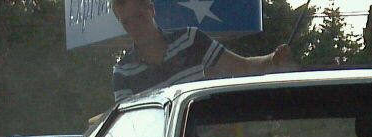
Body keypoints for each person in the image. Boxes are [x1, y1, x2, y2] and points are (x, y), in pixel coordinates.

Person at [110, 0, 294, 102]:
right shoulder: (122, 73)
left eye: (139, 17)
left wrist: (272, 59)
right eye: (126, 22)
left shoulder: (190, 39)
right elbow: (131, 126)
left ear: (151, 10)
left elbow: (242, 66)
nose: (134, 26)